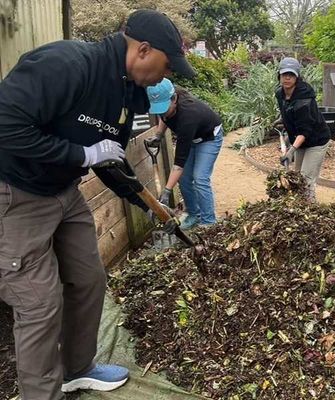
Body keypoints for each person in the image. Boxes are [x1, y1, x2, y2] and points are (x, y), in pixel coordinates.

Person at [0, 9, 194, 399]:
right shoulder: (67, 65)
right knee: (40, 304)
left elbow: (108, 158)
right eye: (167, 65)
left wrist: (145, 202)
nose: (167, 76)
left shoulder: (127, 92)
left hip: (63, 192)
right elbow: (5, 126)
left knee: (89, 278)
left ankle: (77, 368)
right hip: (16, 192)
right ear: (143, 49)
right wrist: (78, 155)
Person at [146, 78, 223, 230]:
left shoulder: (188, 116)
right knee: (184, 179)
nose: (161, 113)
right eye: (157, 109)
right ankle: (194, 214)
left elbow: (178, 164)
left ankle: (209, 222)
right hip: (192, 137)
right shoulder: (166, 103)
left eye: (163, 108)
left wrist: (167, 191)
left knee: (200, 177)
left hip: (208, 138)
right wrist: (159, 134)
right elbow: (164, 117)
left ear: (174, 99)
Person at [276, 57, 331, 200]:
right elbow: (288, 110)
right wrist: (283, 121)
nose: (287, 78)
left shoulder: (304, 99)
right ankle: (298, 208)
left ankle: (310, 212)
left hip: (317, 140)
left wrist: (291, 151)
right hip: (300, 140)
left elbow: (305, 130)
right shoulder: (280, 93)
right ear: (279, 75)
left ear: (297, 77)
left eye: (291, 75)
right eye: (284, 74)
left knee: (306, 181)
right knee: (296, 178)